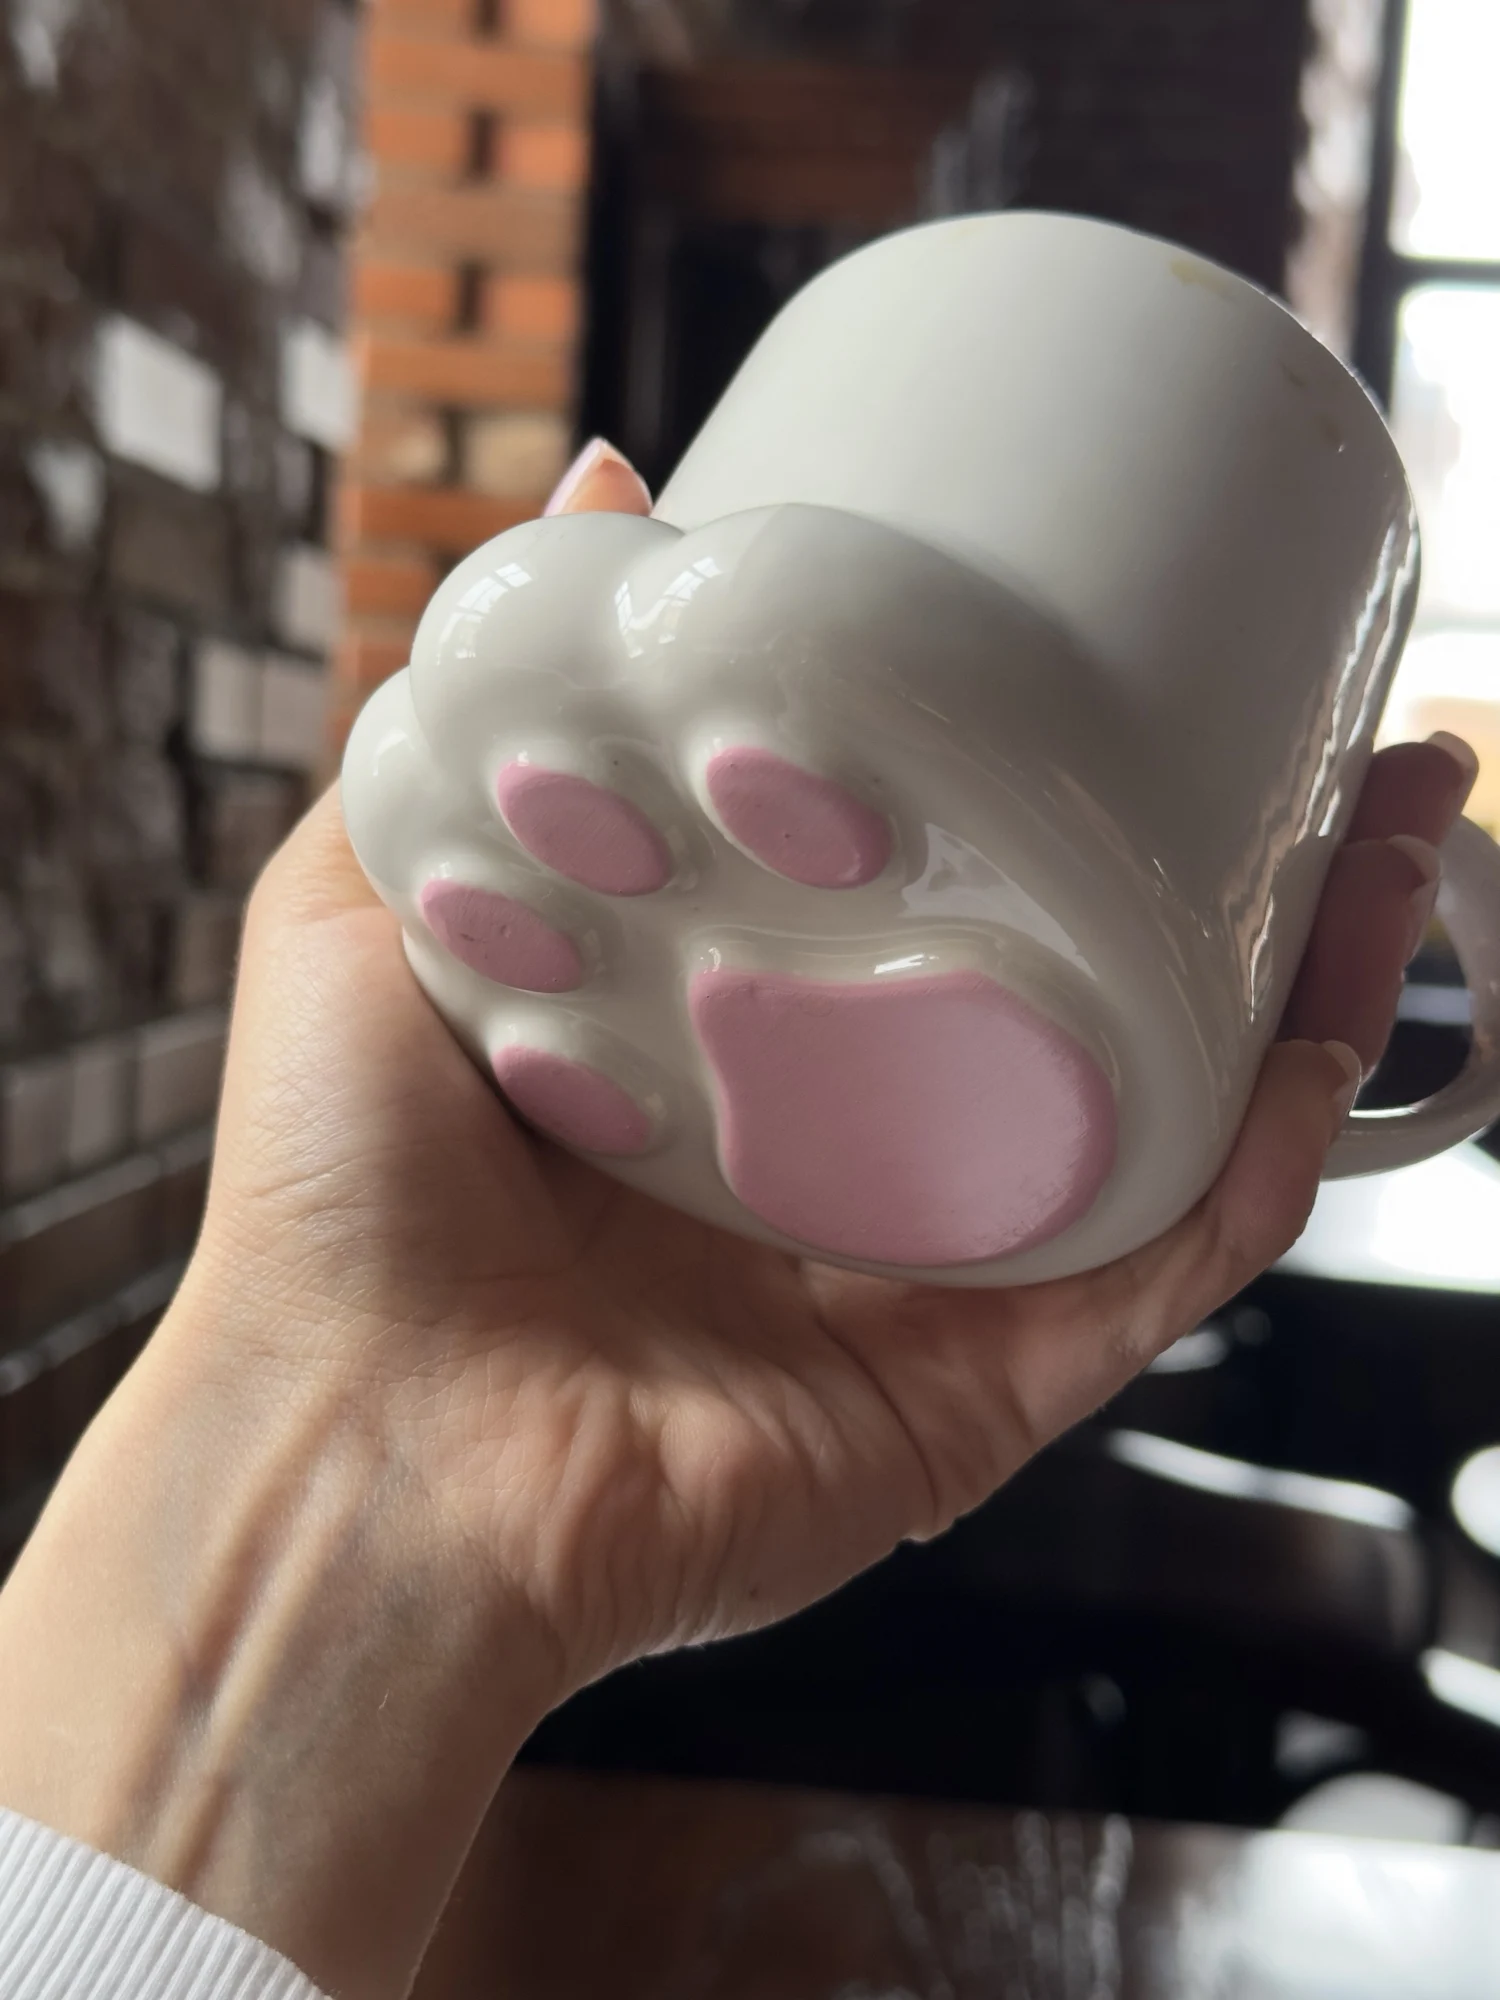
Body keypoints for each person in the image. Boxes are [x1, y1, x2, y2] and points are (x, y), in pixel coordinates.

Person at [0, 442, 1478, 2000]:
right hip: (971, 1009)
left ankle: (865, 851)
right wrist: (398, 1445)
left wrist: (376, 1456)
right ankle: (888, 858)